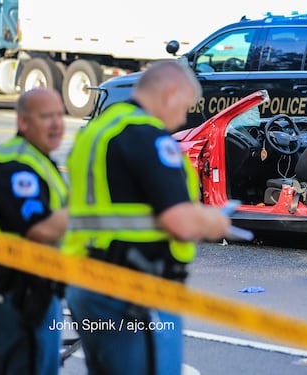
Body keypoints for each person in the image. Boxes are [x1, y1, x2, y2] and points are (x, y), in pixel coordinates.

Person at [63, 60, 232, 375]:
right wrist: (214, 222)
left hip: (86, 284)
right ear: (169, 93)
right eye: (184, 107)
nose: (183, 118)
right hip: (132, 288)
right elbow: (180, 221)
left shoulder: (99, 129)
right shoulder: (147, 136)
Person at [0, 88, 68, 374]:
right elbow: (39, 229)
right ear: (23, 122)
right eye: (47, 116)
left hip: (32, 287)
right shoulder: (15, 166)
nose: (57, 123)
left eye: (60, 114)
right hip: (22, 290)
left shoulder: (38, 159)